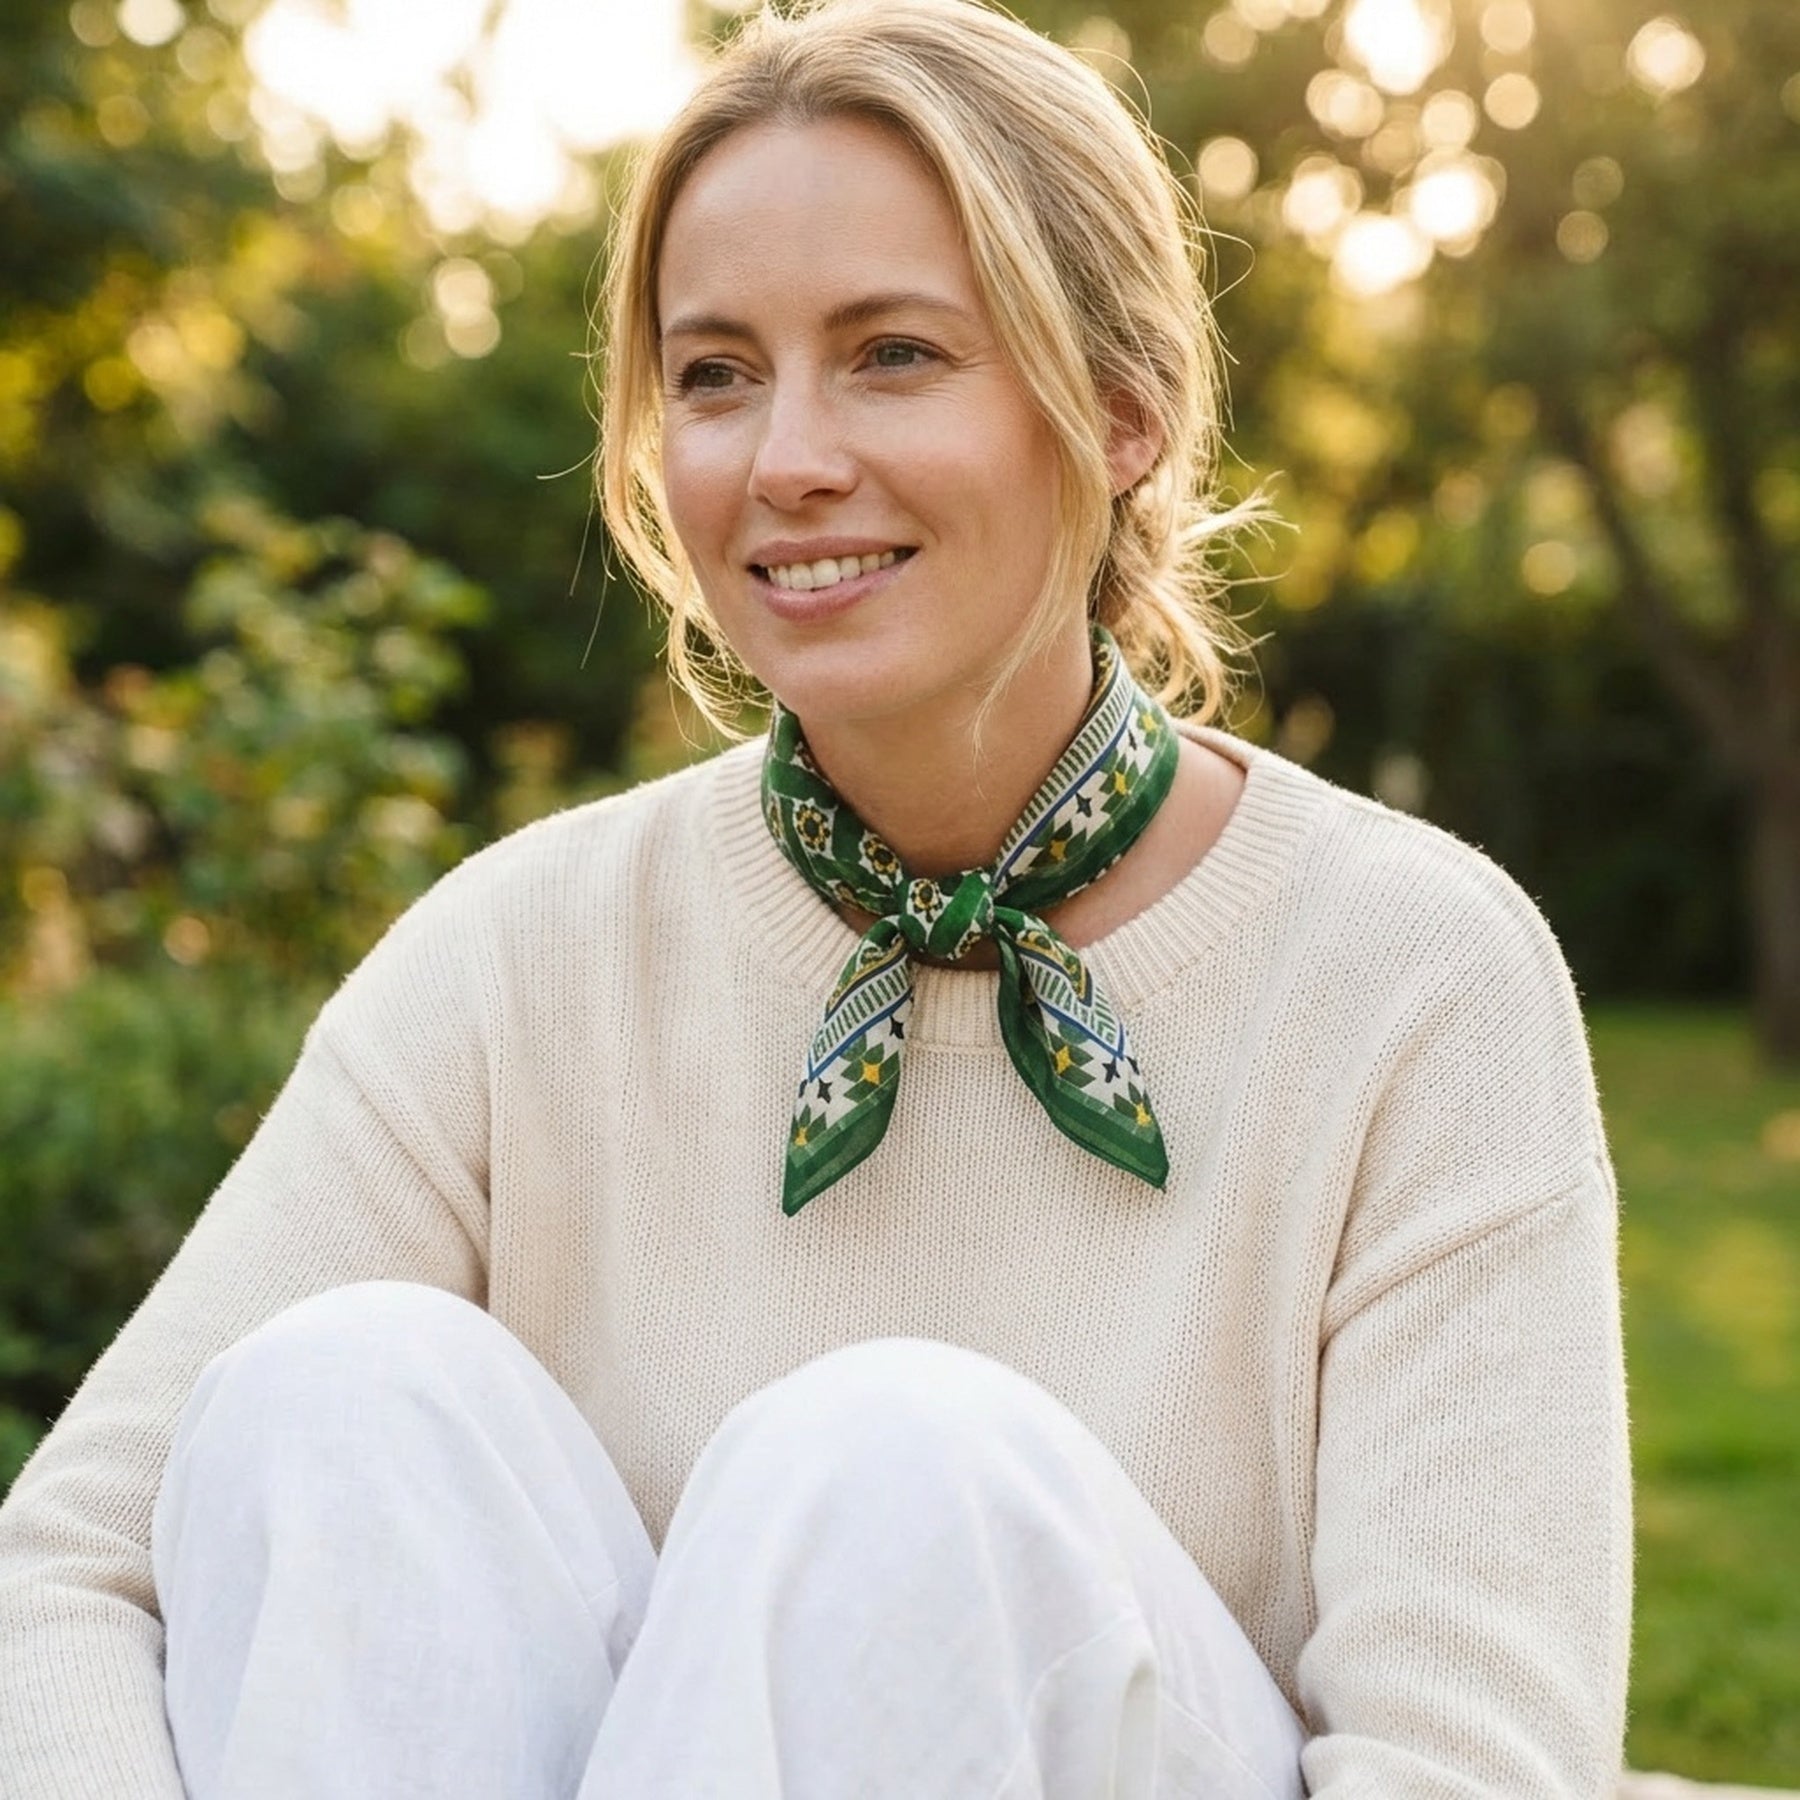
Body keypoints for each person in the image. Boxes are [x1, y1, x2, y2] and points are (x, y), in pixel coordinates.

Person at [0, 0, 1631, 1794]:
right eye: (713, 374)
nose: (784, 461)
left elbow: (1473, 1766)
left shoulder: (1412, 971)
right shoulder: (522, 953)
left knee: (895, 1459)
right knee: (337, 1399)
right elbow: (74, 1566)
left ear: (1119, 408)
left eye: (893, 354)